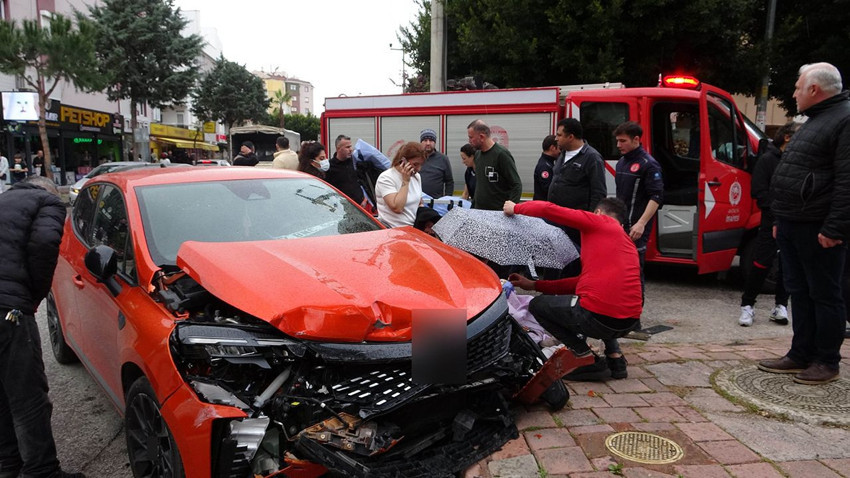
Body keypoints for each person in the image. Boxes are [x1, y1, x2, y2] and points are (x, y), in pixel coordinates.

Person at [758, 62, 850, 385]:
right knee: (800, 291)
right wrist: (781, 219)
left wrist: (835, 227)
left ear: (814, 90)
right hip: (792, 224)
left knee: (825, 294)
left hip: (818, 227)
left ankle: (826, 360)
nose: (794, 92)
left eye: (798, 87)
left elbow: (846, 180)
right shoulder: (816, 119)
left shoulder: (844, 119)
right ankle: (801, 353)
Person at [0, 176, 85, 478]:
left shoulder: (5, 202)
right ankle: (42, 472)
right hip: (8, 310)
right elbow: (46, 244)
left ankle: (10, 466)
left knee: (3, 393)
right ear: (48, 189)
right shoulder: (47, 202)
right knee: (28, 397)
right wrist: (33, 297)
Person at [505, 197, 642, 381]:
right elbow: (580, 283)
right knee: (602, 299)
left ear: (598, 213)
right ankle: (615, 359)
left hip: (599, 319)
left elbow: (549, 209)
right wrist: (534, 285)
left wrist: (516, 208)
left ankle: (584, 356)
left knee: (537, 305)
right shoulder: (625, 242)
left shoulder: (600, 222)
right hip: (629, 322)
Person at [738, 122, 798, 327]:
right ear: (788, 138)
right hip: (771, 219)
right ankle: (747, 305)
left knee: (787, 265)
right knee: (762, 262)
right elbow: (759, 191)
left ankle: (781, 305)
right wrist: (775, 214)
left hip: (792, 220)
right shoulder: (767, 160)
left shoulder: (797, 161)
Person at [614, 121, 664, 298]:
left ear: (636, 139)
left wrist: (641, 223)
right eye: (617, 141)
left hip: (636, 229)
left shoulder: (648, 164)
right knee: (618, 269)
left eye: (623, 141)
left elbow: (656, 196)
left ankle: (635, 315)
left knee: (634, 271)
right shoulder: (621, 163)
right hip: (620, 226)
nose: (618, 145)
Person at [467, 120, 522, 210]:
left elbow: (516, 184)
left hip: (497, 214)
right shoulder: (477, 155)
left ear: (481, 137)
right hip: (479, 212)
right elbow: (480, 185)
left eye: (471, 137)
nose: (469, 141)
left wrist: (511, 209)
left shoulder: (501, 154)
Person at [375, 141, 425, 227]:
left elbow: (419, 202)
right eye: (415, 164)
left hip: (412, 229)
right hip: (392, 230)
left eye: (421, 165)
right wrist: (405, 181)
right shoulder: (386, 178)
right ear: (403, 161)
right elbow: (397, 207)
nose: (418, 169)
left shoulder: (416, 176)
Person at [326, 134, 372, 210]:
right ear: (338, 149)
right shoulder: (330, 167)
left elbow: (366, 182)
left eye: (350, 146)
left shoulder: (356, 162)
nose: (351, 149)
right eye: (347, 147)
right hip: (342, 210)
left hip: (361, 208)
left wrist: (365, 199)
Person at [418, 128, 454, 198]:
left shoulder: (443, 159)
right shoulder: (416, 158)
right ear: (421, 142)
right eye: (425, 140)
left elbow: (449, 182)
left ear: (435, 142)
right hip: (417, 202)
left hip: (436, 203)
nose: (428, 143)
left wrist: (446, 200)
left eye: (431, 140)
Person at [533, 135, 558, 201]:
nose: (560, 152)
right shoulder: (545, 166)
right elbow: (548, 189)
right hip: (542, 206)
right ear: (552, 148)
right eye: (559, 148)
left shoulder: (549, 163)